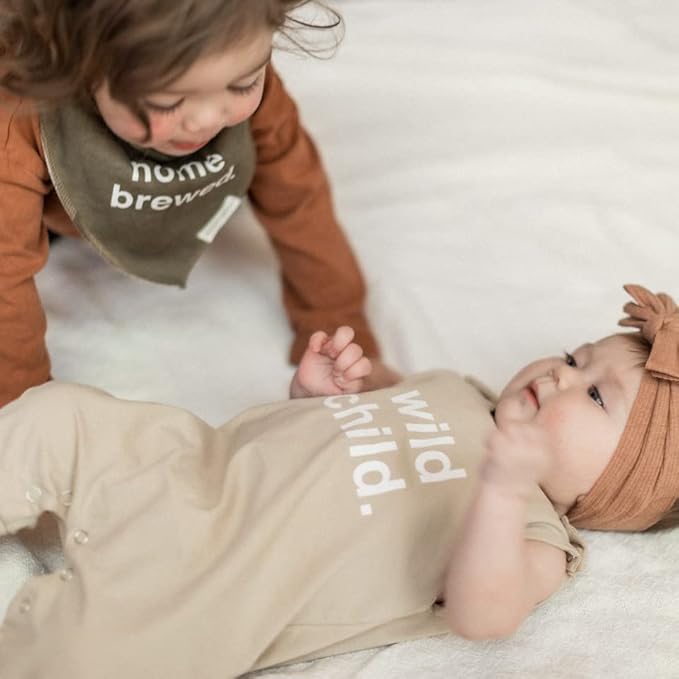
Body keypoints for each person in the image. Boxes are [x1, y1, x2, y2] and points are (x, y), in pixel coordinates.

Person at [0, 284, 677, 678]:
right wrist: (320, 394)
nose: (560, 373)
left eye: (594, 395)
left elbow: (485, 614)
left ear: (616, 490)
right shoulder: (457, 389)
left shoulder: (535, 531)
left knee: (89, 654)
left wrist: (500, 491)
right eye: (572, 357)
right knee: (60, 415)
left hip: (224, 579)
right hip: (192, 466)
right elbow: (338, 430)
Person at [0, 0, 400, 409]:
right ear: (82, 63)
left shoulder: (246, 81)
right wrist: (22, 403)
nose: (207, 120)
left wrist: (340, 328)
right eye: (167, 102)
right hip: (47, 205)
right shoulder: (18, 118)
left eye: (242, 85)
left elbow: (299, 199)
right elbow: (5, 268)